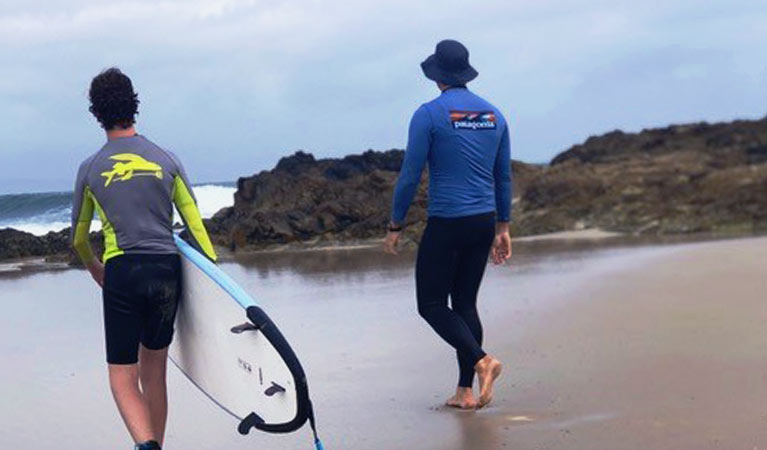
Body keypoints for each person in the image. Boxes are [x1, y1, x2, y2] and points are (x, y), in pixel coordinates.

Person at [71, 67, 217, 450]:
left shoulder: (90, 168)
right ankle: (156, 444)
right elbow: (195, 224)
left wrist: (94, 268)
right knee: (155, 373)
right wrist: (213, 277)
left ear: (95, 111)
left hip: (122, 271)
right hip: (166, 270)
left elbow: (79, 238)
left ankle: (146, 446)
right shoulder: (166, 158)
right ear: (134, 104)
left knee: (122, 376)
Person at [384, 40, 512, 410]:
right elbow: (502, 177)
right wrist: (503, 226)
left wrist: (396, 224)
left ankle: (482, 361)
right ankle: (465, 392)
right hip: (483, 221)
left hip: (447, 223)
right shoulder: (494, 115)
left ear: (437, 74)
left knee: (432, 304)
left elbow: (409, 176)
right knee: (465, 304)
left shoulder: (428, 114)